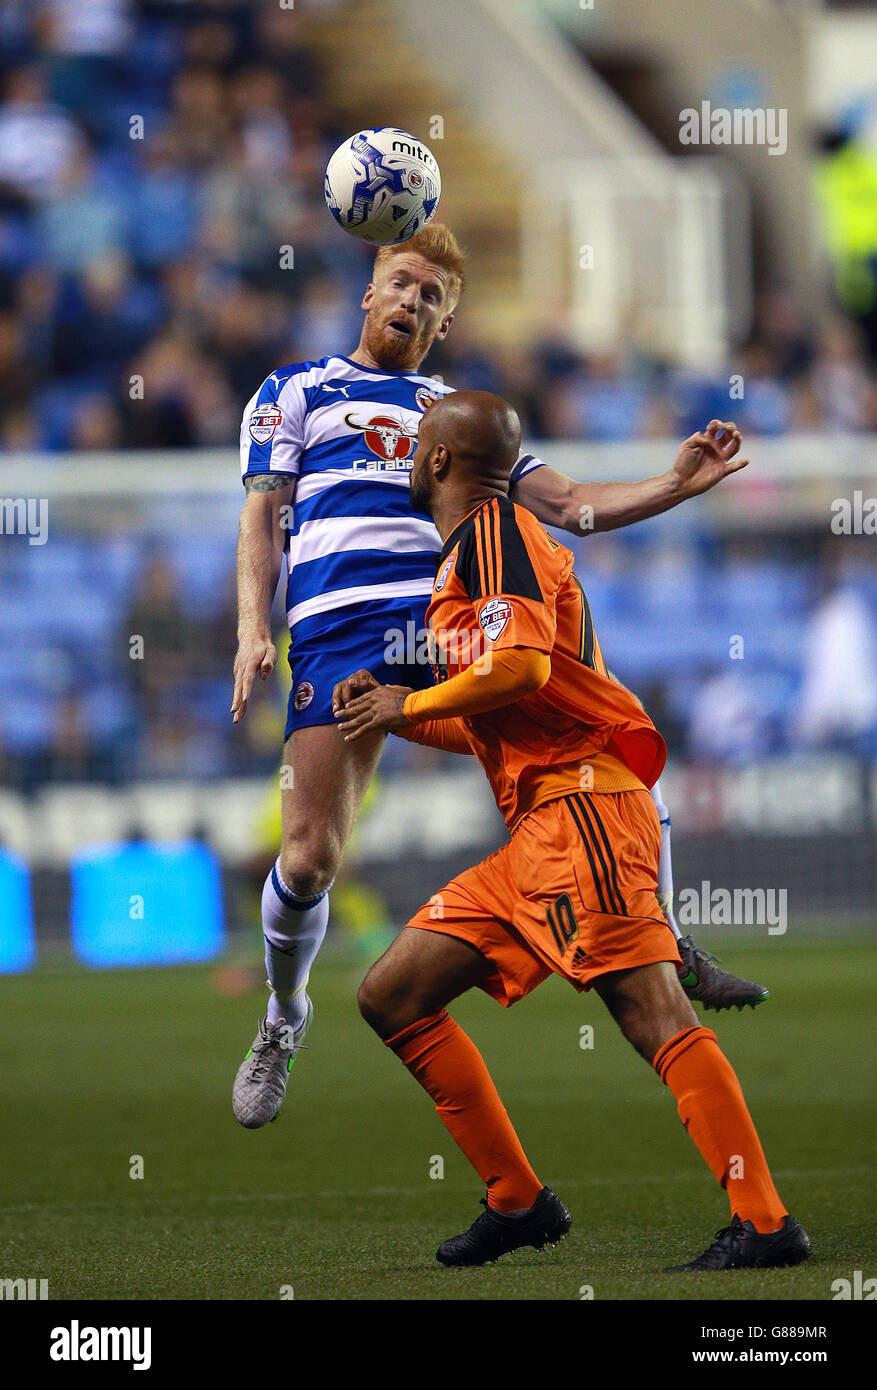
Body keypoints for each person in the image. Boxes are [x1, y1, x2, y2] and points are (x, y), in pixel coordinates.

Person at [230, 223, 763, 1132]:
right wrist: (251, 629)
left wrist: (673, 486)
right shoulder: (296, 391)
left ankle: (664, 938)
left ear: (443, 324)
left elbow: (571, 507)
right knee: (310, 855)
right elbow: (261, 519)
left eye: (433, 297)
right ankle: (284, 1015)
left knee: (600, 736)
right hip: (337, 640)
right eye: (402, 282)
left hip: (445, 632)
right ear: (368, 291)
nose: (413, 301)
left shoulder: (457, 416)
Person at [333, 390, 810, 1271]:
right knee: (392, 995)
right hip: (540, 829)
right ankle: (517, 1203)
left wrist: (411, 698)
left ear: (438, 460)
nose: (406, 460)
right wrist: (395, 716)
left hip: (585, 811)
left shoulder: (493, 533)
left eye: (415, 449)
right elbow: (502, 711)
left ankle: (766, 1223)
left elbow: (514, 670)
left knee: (650, 1014)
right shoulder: (475, 552)